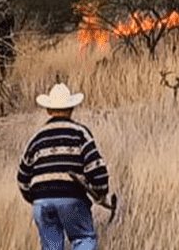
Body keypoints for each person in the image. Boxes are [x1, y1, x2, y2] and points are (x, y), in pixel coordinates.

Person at [17, 83, 110, 250]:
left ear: (48, 110)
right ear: (72, 108)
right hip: (71, 196)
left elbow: (23, 176)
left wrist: (35, 198)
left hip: (41, 201)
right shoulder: (80, 133)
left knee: (51, 247)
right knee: (84, 238)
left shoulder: (36, 138)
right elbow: (95, 168)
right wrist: (101, 192)